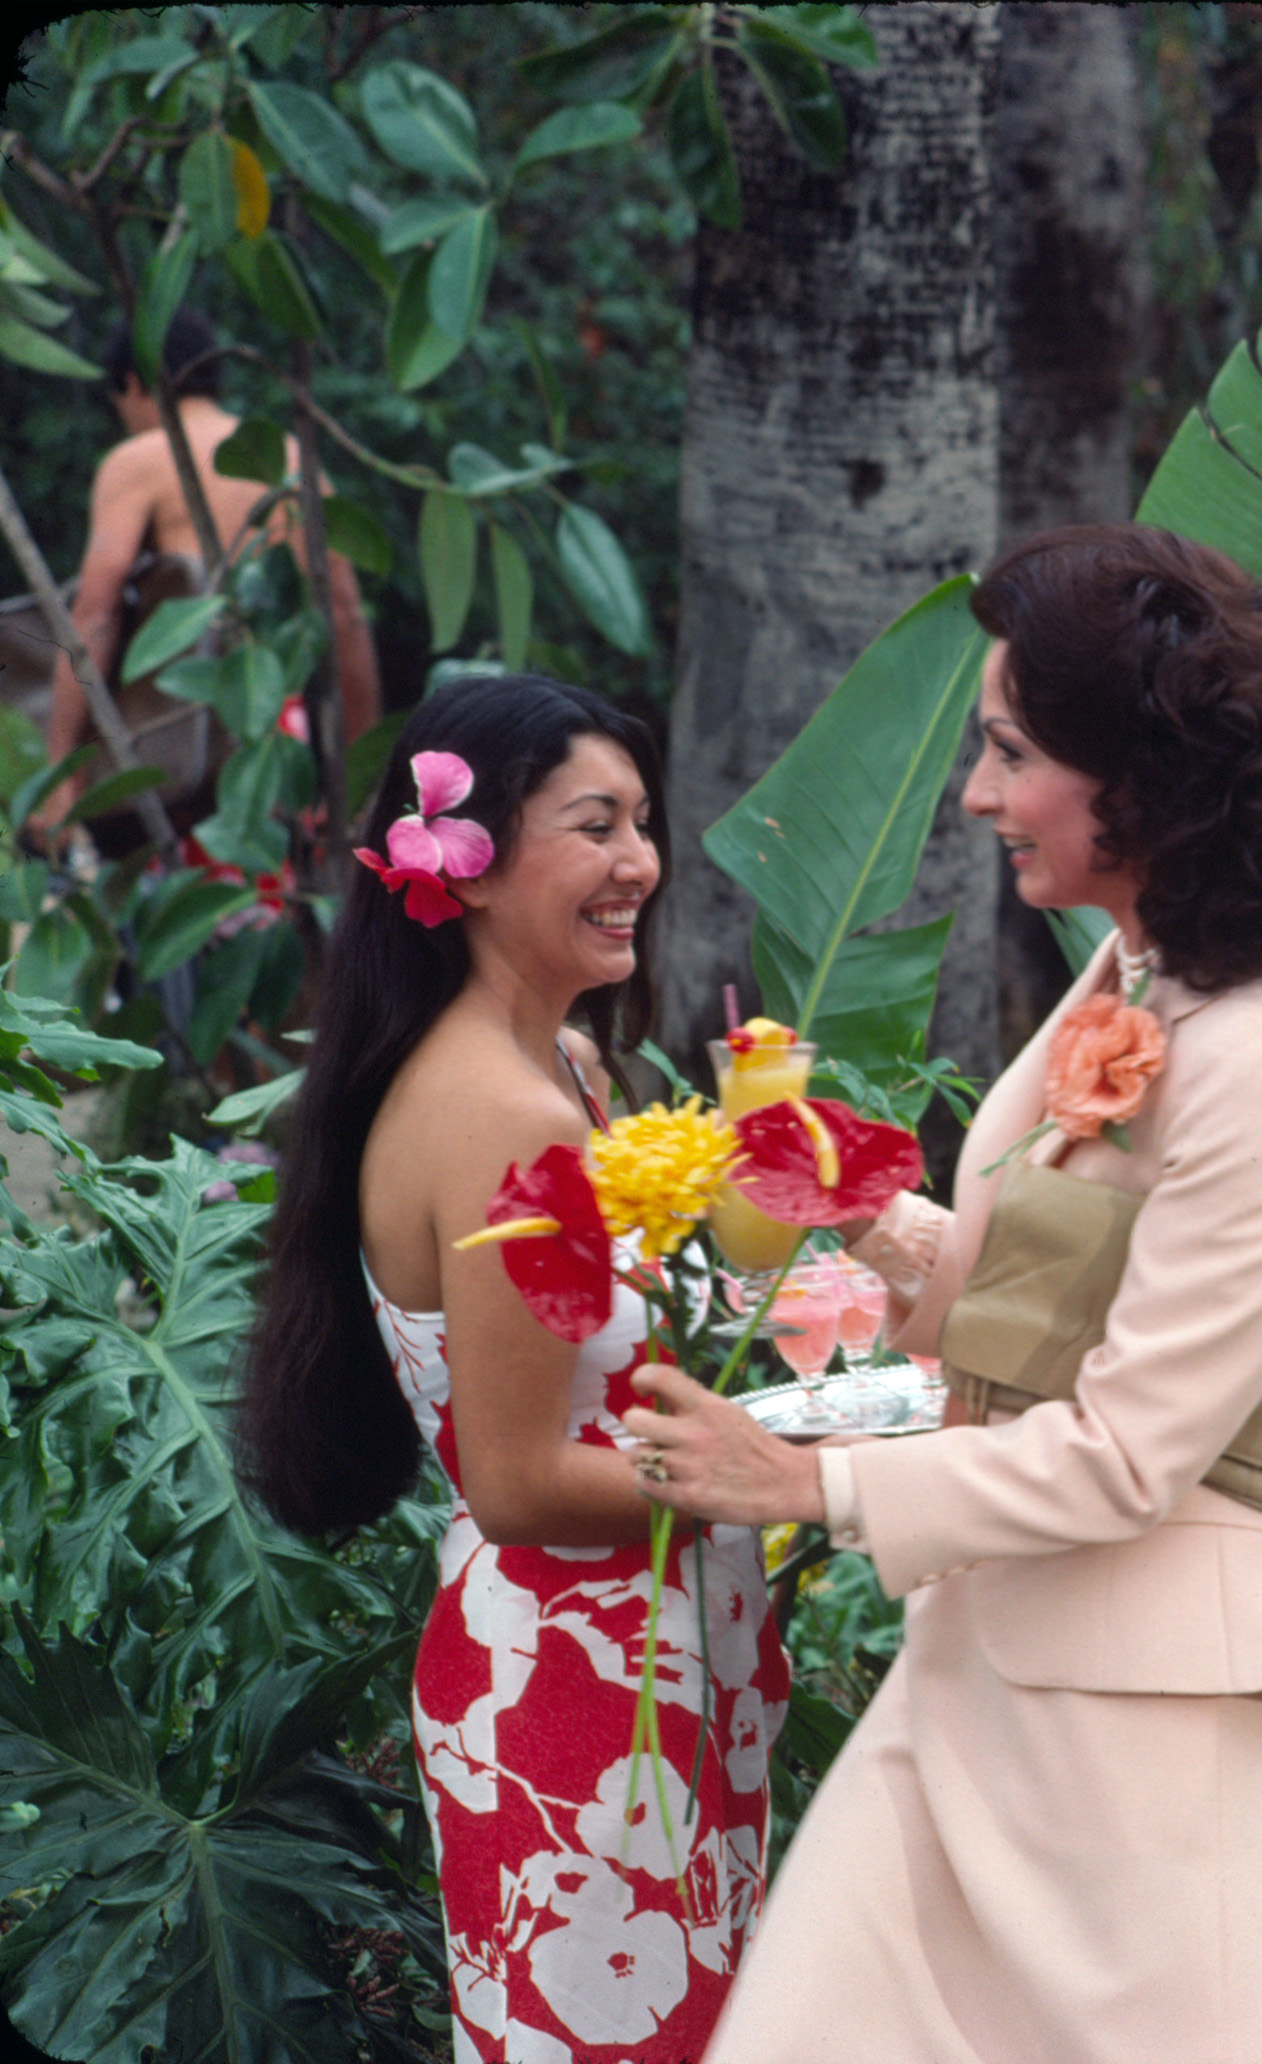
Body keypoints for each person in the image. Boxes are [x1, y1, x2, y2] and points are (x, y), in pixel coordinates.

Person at [619, 524, 1262, 2063]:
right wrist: (860, 1209)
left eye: (1010, 751)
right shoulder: (1137, 971)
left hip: (1144, 1720)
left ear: (1145, 772)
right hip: (993, 1667)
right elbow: (1046, 1293)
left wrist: (807, 1480)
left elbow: (1133, 1447)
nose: (978, 792)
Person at [241, 674, 788, 2060]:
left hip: (649, 1669)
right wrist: (796, 1474)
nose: (640, 865)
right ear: (467, 868)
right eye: (595, 826)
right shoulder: (493, 1112)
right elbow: (523, 1482)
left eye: (644, 823)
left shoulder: (563, 1068)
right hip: (576, 1696)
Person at [38, 307, 380, 838]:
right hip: (275, 740)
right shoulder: (293, 459)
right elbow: (345, 617)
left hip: (174, 730)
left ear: (132, 384)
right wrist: (361, 780)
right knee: (269, 898)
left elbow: (95, 616)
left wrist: (59, 770)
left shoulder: (138, 461)